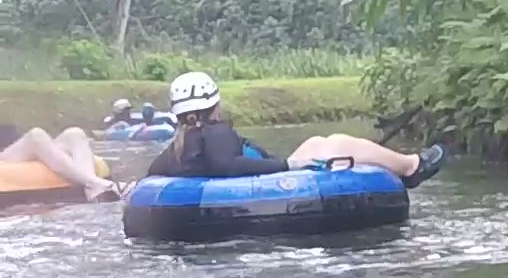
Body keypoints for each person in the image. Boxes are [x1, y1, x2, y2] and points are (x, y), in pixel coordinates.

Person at [144, 71, 447, 185]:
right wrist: (289, 164)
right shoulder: (216, 131)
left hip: (263, 180)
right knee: (337, 143)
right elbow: (228, 166)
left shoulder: (179, 145)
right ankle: (411, 167)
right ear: (215, 105)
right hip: (275, 181)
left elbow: (152, 175)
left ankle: (405, 166)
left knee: (317, 141)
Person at [0, 122, 121, 200]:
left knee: (75, 133)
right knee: (36, 135)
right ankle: (92, 182)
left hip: (16, 152)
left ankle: (92, 185)